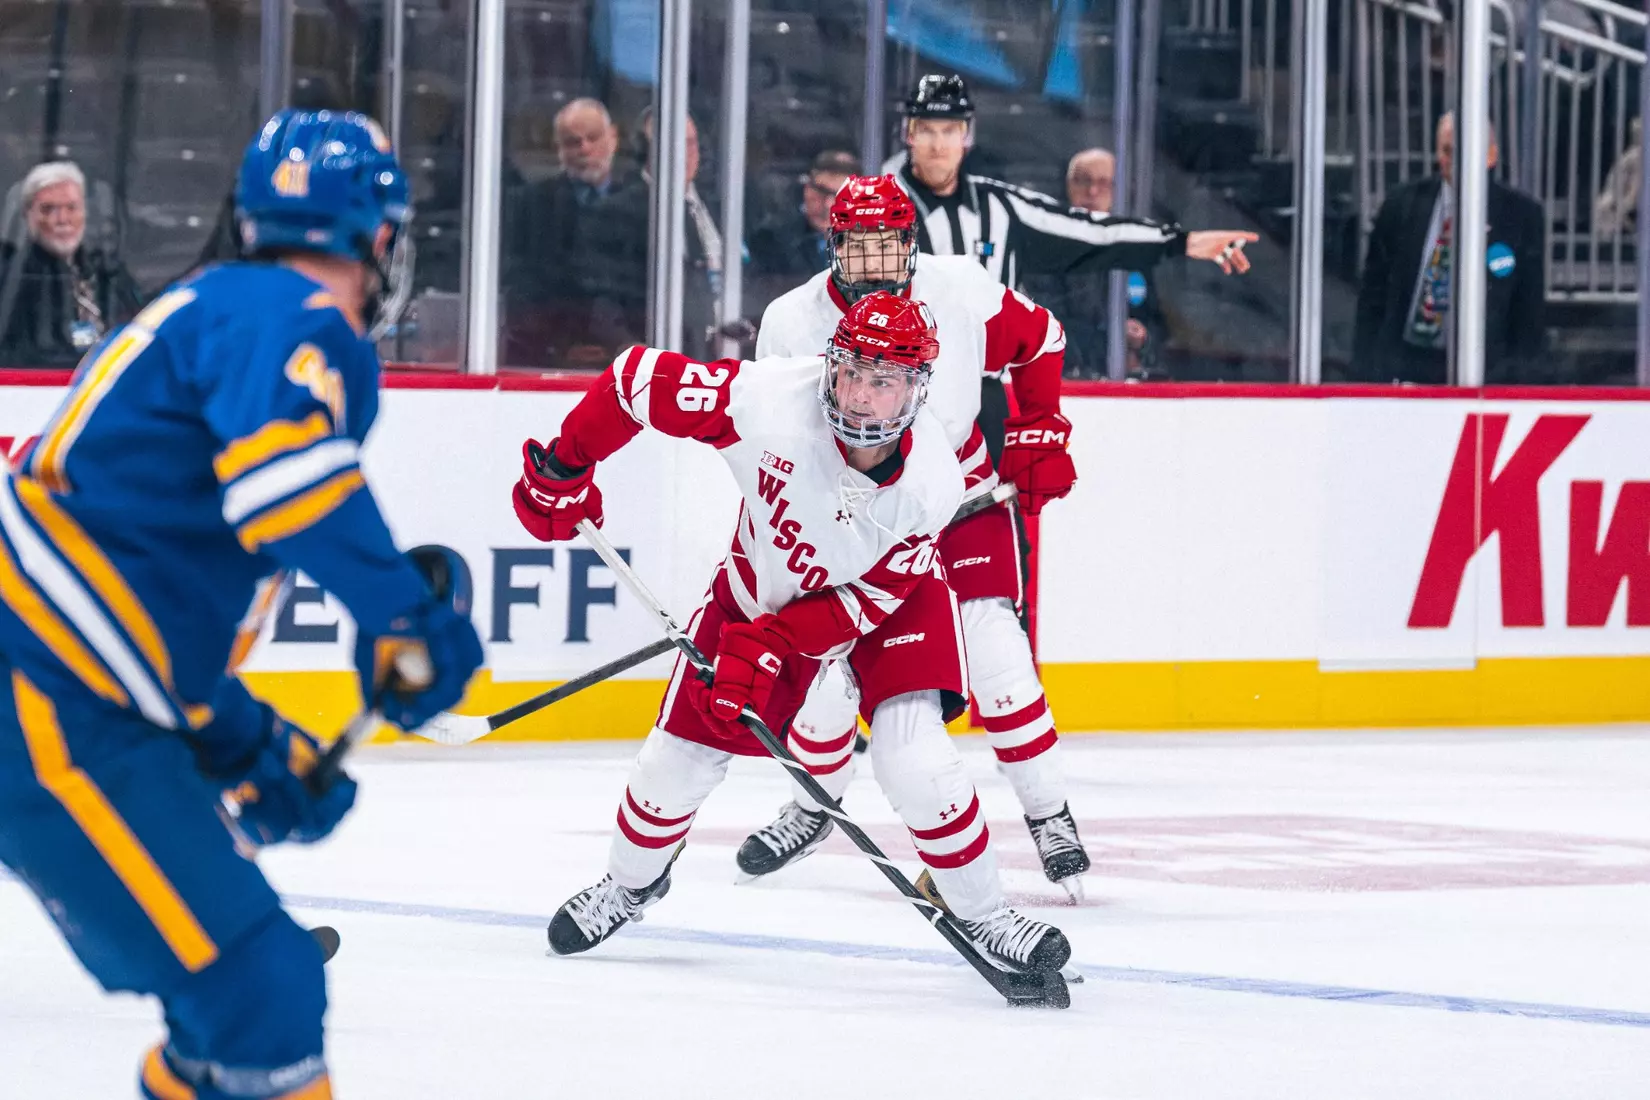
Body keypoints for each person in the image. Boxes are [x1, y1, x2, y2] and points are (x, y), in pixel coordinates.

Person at [0, 110, 484, 1099]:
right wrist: (407, 617)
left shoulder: (217, 306)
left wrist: (240, 739)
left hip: (62, 678)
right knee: (261, 989)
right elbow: (283, 486)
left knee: (248, 1004)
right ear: (381, 234)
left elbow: (135, 596)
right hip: (40, 688)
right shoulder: (299, 321)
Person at [514, 292, 1072, 977]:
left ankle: (988, 918)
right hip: (759, 590)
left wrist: (779, 643)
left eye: (883, 380)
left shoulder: (932, 480)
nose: (861, 396)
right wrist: (568, 466)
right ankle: (630, 886)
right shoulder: (765, 401)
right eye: (851, 371)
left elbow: (870, 600)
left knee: (915, 760)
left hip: (887, 608)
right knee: (673, 768)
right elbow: (635, 380)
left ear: (916, 390)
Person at [748, 175, 1090, 898]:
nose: (873, 262)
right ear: (833, 246)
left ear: (911, 243)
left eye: (887, 245)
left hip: (961, 500)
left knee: (997, 654)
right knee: (830, 667)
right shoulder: (790, 320)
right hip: (859, 518)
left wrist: (1038, 428)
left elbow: (1042, 338)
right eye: (858, 247)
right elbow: (775, 430)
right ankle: (813, 804)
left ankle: (1048, 812)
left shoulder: (959, 288)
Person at [891, 74, 1257, 292]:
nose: (938, 145)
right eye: (926, 131)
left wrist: (1184, 241)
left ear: (967, 136)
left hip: (985, 388)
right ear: (908, 134)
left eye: (949, 131)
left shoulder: (1001, 207)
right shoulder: (876, 206)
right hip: (893, 387)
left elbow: (1096, 233)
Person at [1351, 112, 1546, 384]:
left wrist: (1519, 384)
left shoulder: (1521, 216)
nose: (1455, 161)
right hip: (1406, 364)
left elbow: (1528, 312)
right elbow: (1373, 293)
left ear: (1490, 155)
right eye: (1447, 151)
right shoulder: (1401, 204)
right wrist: (1364, 372)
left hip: (1484, 372)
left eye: (1467, 151)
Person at [502, 98, 634, 368]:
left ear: (613, 138)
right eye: (572, 142)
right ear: (559, 149)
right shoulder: (531, 203)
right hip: (552, 356)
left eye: (592, 138)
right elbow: (521, 284)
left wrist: (626, 344)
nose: (584, 148)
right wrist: (558, 347)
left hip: (631, 353)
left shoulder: (643, 202)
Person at [1026, 148, 1170, 379]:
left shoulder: (1133, 249)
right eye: (1083, 181)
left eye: (1104, 183)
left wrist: (1143, 338)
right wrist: (1113, 341)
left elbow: (1157, 323)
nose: (1092, 191)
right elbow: (1047, 325)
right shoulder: (1044, 249)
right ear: (1068, 185)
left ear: (1118, 190)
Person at [0, 161, 141, 366]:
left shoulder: (108, 272)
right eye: (48, 209)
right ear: (27, 215)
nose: (62, 219)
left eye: (71, 208)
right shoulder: (13, 279)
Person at [749, 149, 861, 282]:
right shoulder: (770, 239)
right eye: (821, 191)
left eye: (841, 196)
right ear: (806, 188)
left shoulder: (872, 244)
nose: (828, 204)